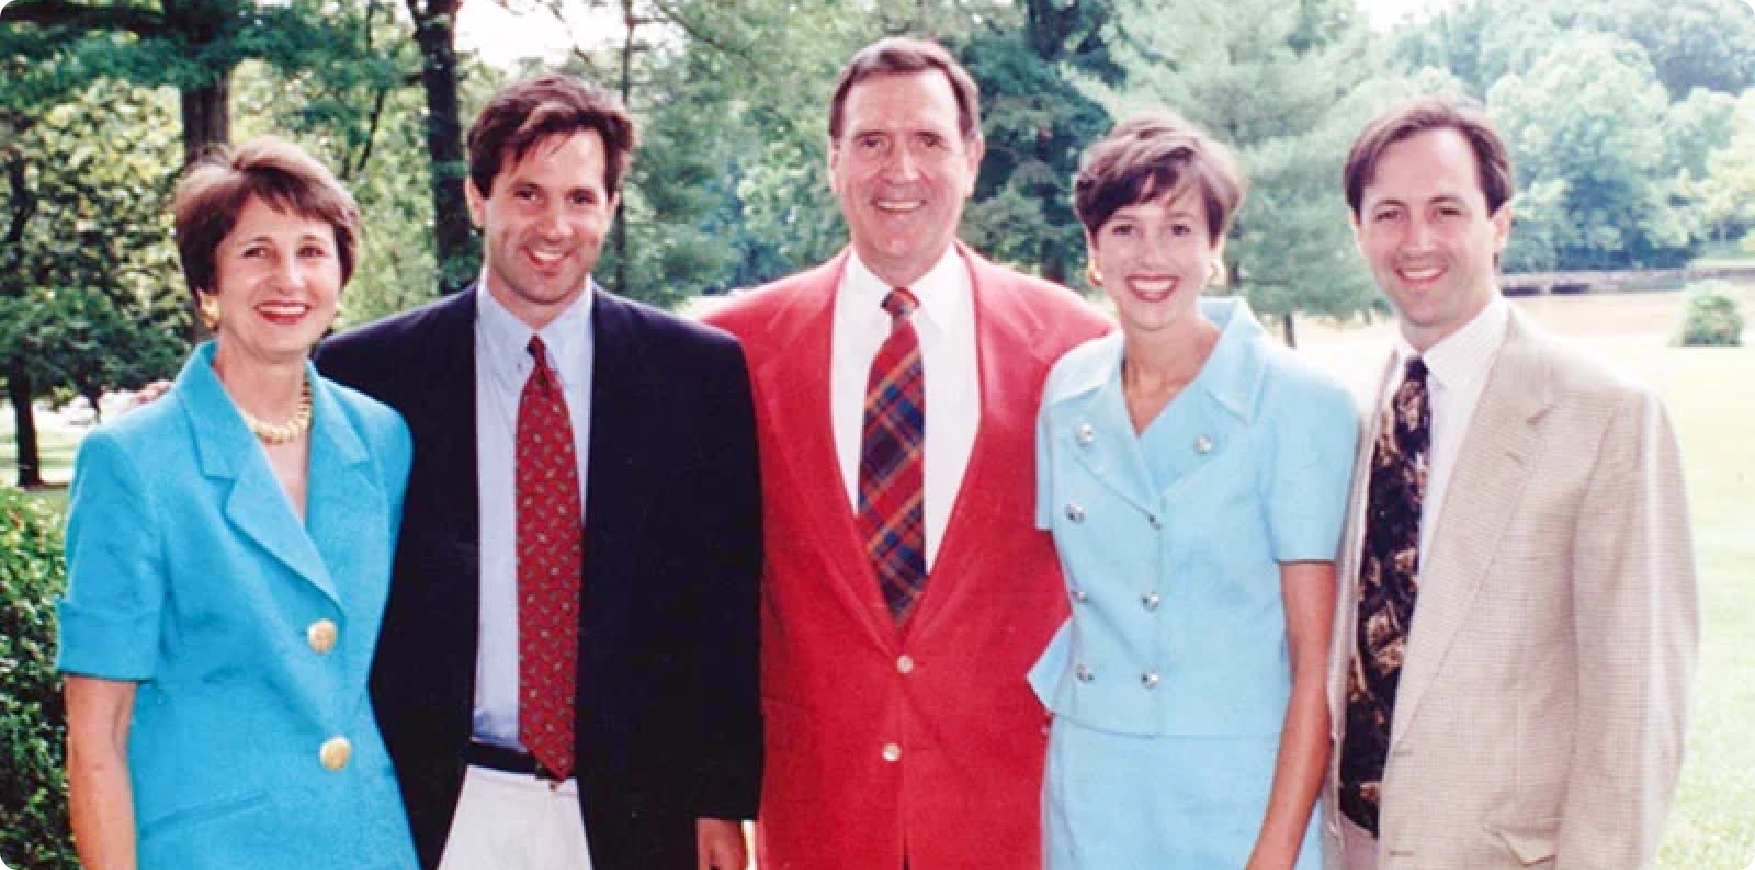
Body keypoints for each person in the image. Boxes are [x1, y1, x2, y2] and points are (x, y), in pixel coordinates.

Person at [312, 74, 761, 870]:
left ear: (610, 208)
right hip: (436, 805)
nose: (555, 227)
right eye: (527, 194)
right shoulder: (367, 375)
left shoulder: (695, 374)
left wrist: (718, 798)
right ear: (478, 198)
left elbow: (721, 608)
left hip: (630, 807)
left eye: (580, 198)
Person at [704, 36, 1111, 869]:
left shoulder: (1074, 347)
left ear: (972, 158)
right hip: (820, 812)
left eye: (927, 140)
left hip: (1011, 811)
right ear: (832, 162)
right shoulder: (732, 349)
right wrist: (708, 791)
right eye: (871, 142)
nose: (900, 171)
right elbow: (697, 597)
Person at [1324, 96, 1698, 870]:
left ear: (1498, 224)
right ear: (1356, 229)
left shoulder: (1605, 415)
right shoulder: (1349, 409)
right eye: (1389, 213)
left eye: (1445, 210)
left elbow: (1635, 704)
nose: (1416, 240)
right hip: (1348, 848)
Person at [58, 137, 418, 869]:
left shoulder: (382, 439)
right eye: (257, 252)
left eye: (311, 251)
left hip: (366, 845)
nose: (289, 279)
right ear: (208, 283)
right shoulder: (131, 461)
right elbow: (98, 738)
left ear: (340, 277)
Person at [1030, 113, 1356, 870]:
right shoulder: (1067, 393)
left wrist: (1274, 854)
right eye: (1124, 229)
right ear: (1092, 251)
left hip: (1240, 795)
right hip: (1092, 791)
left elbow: (1315, 665)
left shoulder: (1299, 402)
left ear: (1214, 249)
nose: (1150, 255)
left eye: (1178, 229)